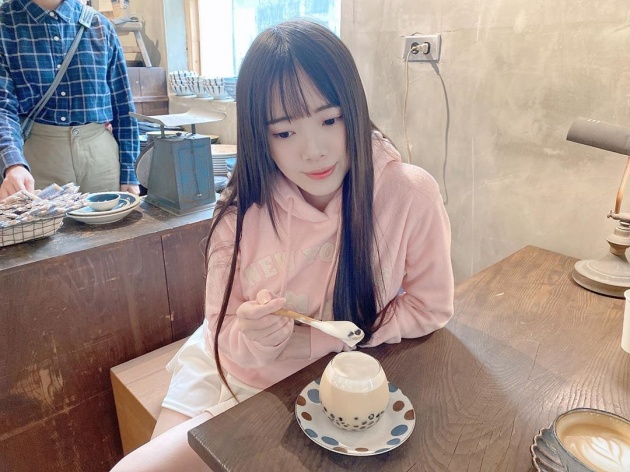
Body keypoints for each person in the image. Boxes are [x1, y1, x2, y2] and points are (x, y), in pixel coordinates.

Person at [112, 19, 454, 472]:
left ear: (353, 109)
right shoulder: (239, 213)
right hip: (234, 365)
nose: (313, 150)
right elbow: (223, 330)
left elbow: (431, 307)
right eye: (284, 132)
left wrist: (329, 337)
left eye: (329, 119)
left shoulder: (407, 194)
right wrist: (254, 338)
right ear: (260, 135)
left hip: (331, 377)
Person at [0, 0, 140, 200]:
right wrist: (13, 163)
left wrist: (129, 171)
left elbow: (123, 105)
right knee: (43, 222)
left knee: (111, 220)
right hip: (35, 161)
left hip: (103, 161)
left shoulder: (100, 25)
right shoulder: (5, 24)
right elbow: (3, 107)